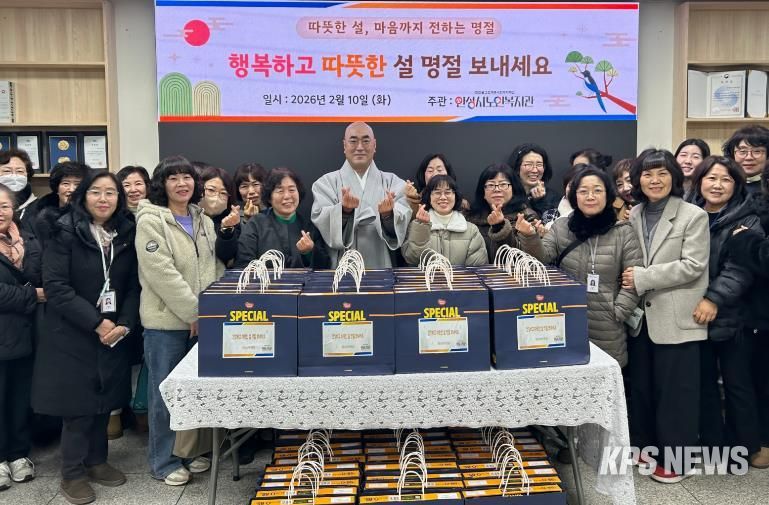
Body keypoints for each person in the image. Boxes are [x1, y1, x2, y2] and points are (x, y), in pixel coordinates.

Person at [31, 171, 139, 504]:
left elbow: (133, 285)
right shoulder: (63, 230)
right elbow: (56, 288)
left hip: (112, 331)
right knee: (77, 407)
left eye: (110, 193)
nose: (103, 199)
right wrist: (96, 323)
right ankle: (72, 472)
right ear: (83, 196)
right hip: (72, 330)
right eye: (96, 192)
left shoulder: (125, 232)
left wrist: (124, 322)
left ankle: (97, 460)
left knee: (104, 399)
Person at [621, 149, 710, 484]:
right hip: (640, 319)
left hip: (676, 317)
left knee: (676, 394)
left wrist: (643, 277)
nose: (654, 180)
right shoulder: (634, 213)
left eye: (662, 173)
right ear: (638, 180)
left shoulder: (693, 215)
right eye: (647, 174)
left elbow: (693, 265)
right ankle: (647, 448)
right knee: (643, 388)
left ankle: (678, 461)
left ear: (674, 176)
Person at [135, 156, 221, 486]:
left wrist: (210, 311)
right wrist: (193, 312)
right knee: (164, 394)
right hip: (166, 325)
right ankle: (163, 460)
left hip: (201, 321)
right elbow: (162, 274)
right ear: (162, 184)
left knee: (193, 391)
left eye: (187, 177)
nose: (182, 183)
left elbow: (213, 267)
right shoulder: (151, 221)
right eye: (173, 178)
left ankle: (188, 451)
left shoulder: (203, 220)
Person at [515, 166, 643, 366]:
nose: (590, 196)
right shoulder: (562, 227)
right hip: (564, 318)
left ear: (608, 194)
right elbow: (542, 258)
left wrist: (619, 312)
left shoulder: (623, 231)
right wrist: (530, 236)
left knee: (604, 376)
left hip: (607, 325)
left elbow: (633, 278)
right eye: (583, 191)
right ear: (574, 196)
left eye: (597, 190)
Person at [688, 156, 762, 467]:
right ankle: (712, 444)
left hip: (732, 317)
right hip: (691, 316)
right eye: (711, 178)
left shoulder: (748, 219)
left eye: (726, 179)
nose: (717, 185)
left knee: (736, 384)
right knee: (703, 384)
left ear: (736, 185)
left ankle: (745, 447)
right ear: (699, 182)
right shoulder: (687, 214)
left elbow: (740, 270)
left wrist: (713, 299)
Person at [311, 122, 411, 268]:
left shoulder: (393, 183)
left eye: (365, 141)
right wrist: (344, 212)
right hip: (342, 264)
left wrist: (388, 216)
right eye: (353, 141)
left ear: (374, 145)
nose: (359, 147)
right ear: (344, 146)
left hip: (381, 261)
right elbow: (321, 218)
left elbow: (403, 220)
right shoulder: (325, 183)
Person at [0, 183, 43, 492]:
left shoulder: (28, 238)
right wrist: (32, 295)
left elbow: (43, 276)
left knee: (20, 397)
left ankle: (18, 454)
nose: (0, 212)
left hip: (28, 333)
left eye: (4, 205)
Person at [726, 162, 769, 469]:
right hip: (750, 312)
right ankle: (750, 442)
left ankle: (762, 443)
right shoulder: (756, 208)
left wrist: (745, 239)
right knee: (745, 380)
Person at [219, 168, 329, 269]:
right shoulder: (255, 224)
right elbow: (243, 264)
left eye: (292, 190)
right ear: (269, 197)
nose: (287, 196)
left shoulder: (309, 226)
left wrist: (309, 252)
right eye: (280, 191)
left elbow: (325, 266)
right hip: (264, 284)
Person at [402, 175, 486, 266]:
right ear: (429, 197)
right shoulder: (416, 226)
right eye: (437, 192)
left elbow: (477, 266)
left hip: (462, 276)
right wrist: (421, 228)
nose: (443, 197)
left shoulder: (471, 231)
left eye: (448, 192)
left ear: (455, 196)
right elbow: (412, 259)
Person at [466, 164, 537, 262]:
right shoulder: (471, 218)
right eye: (491, 185)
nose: (497, 189)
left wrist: (500, 227)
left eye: (503, 184)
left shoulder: (527, 217)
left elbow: (524, 257)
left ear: (514, 189)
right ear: (483, 192)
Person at [22, 161, 90, 245]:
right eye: (66, 183)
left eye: (77, 184)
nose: (72, 189)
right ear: (57, 188)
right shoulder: (37, 217)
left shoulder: (93, 217)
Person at [403, 154, 468, 217]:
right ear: (423, 175)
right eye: (430, 170)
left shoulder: (461, 204)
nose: (435, 174)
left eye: (439, 170)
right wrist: (413, 202)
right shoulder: (415, 200)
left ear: (448, 174)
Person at [508, 143, 561, 217]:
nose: (535, 170)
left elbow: (549, 222)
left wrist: (540, 202)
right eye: (528, 164)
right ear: (517, 167)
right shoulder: (507, 195)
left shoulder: (554, 198)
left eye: (539, 165)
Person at [723, 125, 769, 194]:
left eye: (757, 151)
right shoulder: (722, 185)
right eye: (742, 151)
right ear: (732, 154)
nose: (749, 157)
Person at [0, 149, 37, 219]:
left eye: (20, 171)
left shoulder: (41, 208)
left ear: (27, 175)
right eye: (7, 171)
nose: (14, 176)